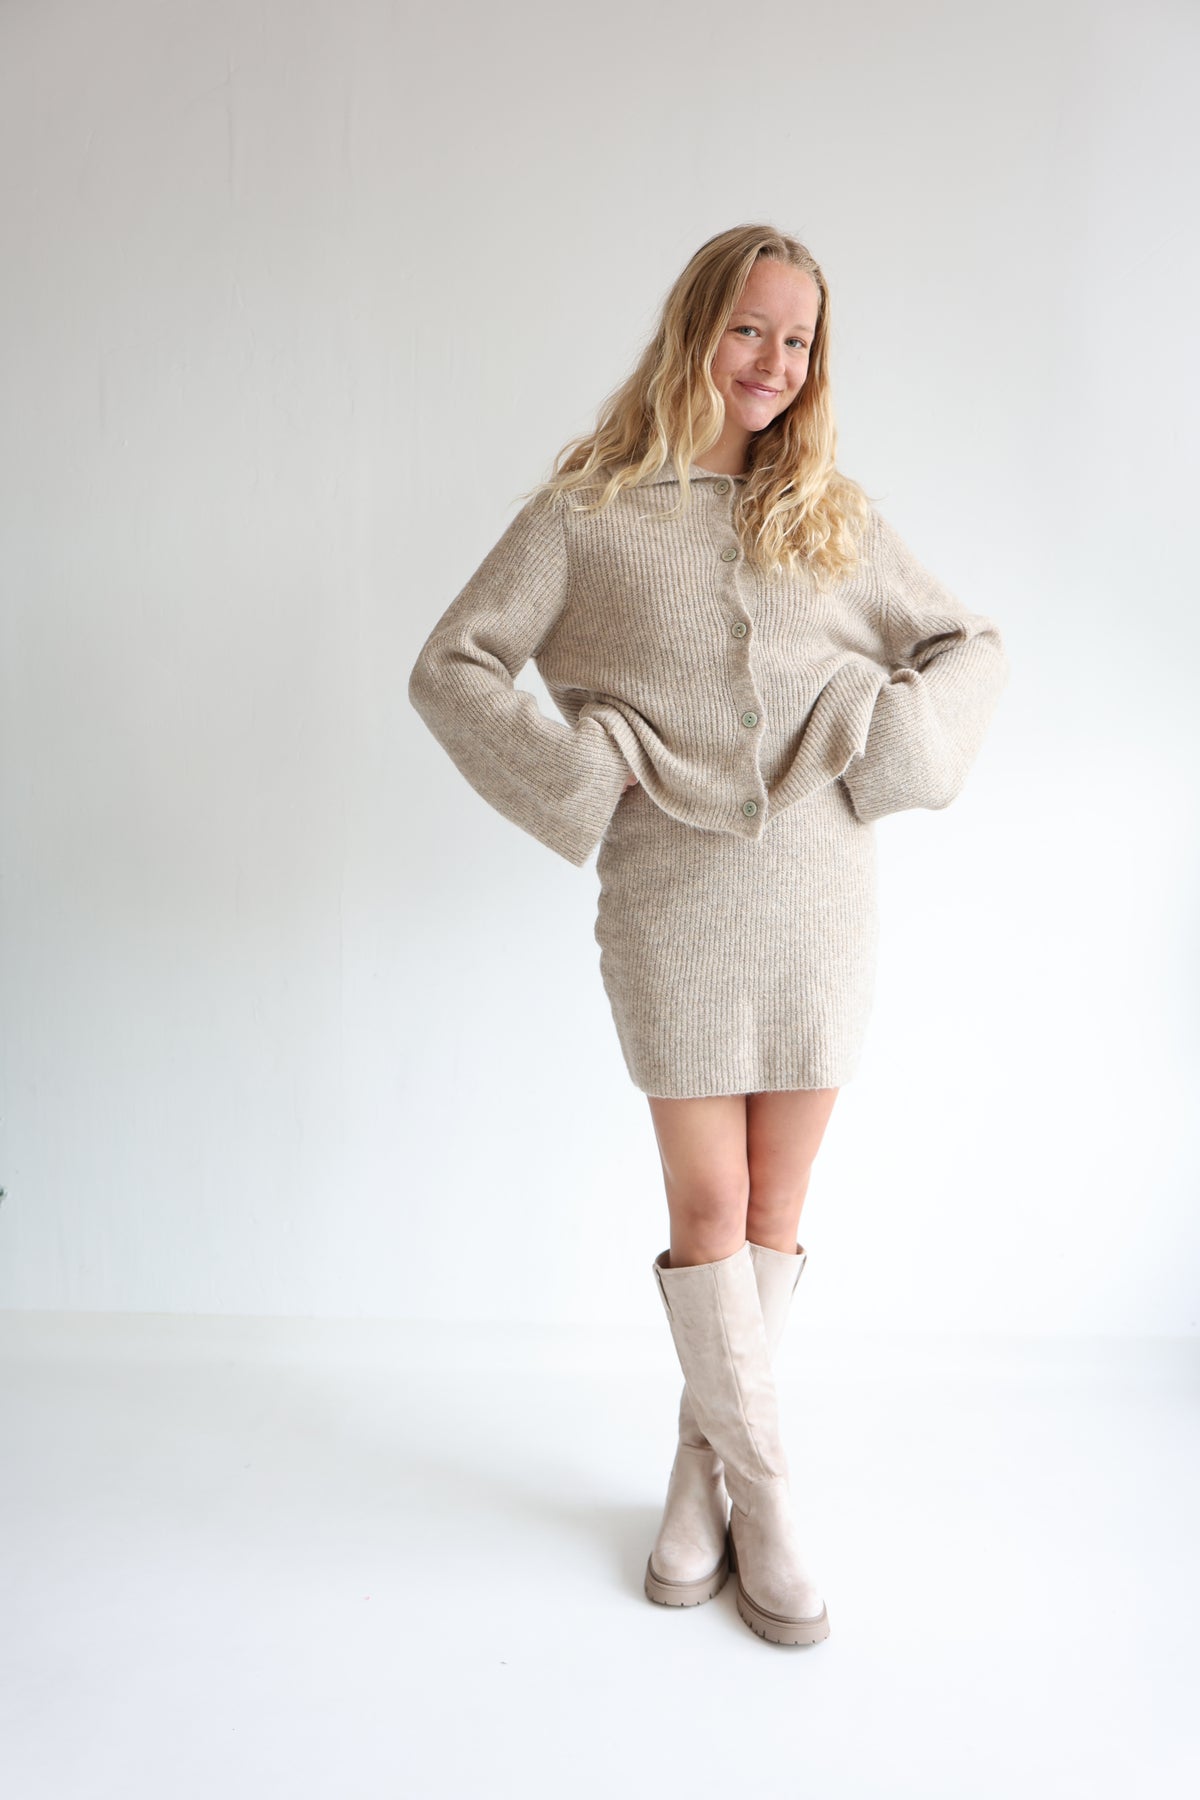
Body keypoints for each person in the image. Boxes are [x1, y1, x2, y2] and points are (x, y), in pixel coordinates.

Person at [408, 223, 1009, 1648]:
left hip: (820, 896)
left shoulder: (833, 516)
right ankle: (773, 1503)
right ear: (696, 328)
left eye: (799, 340)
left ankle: (700, 1481)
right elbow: (453, 665)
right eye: (752, 328)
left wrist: (888, 746)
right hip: (670, 904)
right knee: (706, 1214)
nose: (774, 362)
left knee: (776, 1215)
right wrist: (578, 772)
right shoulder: (587, 513)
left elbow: (968, 647)